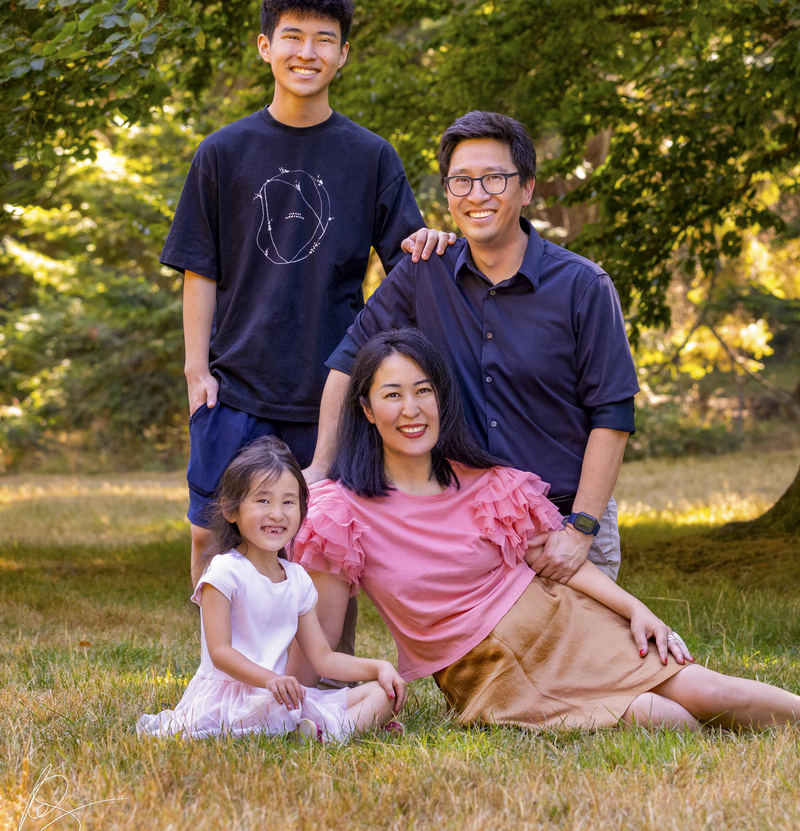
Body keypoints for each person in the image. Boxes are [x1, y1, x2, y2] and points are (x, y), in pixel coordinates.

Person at [291, 330, 800, 731]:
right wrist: (281, 700)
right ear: (366, 409)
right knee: (669, 721)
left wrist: (635, 609)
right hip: (490, 670)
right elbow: (321, 639)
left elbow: (558, 561)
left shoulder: (487, 483)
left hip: (564, 622)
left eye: (424, 390)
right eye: (392, 394)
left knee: (708, 690)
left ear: (442, 398)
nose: (412, 409)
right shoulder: (340, 512)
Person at [160, 0, 453, 583]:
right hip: (235, 383)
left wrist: (430, 242)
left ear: (343, 54)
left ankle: (316, 655)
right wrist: (195, 370)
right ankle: (223, 650)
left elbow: (407, 267)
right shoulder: (222, 152)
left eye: (324, 39)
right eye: (292, 36)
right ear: (265, 46)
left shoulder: (371, 156)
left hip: (331, 386)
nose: (307, 52)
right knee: (211, 534)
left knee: (325, 545)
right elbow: (199, 268)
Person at [307, 110, 638, 584]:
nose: (476, 195)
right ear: (447, 193)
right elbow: (349, 362)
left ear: (527, 188)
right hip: (464, 529)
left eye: (494, 179)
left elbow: (613, 415)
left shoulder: (583, 286)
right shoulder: (424, 271)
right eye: (461, 181)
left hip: (561, 524)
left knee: (591, 637)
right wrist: (322, 466)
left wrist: (582, 528)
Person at [137, 436, 406, 742]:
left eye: (288, 502)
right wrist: (271, 680)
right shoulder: (225, 571)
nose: (277, 514)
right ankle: (337, 731)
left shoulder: (296, 578)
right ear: (230, 510)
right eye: (263, 501)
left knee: (382, 692)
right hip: (231, 698)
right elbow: (220, 652)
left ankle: (326, 733)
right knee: (283, 706)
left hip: (278, 692)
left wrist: (378, 667)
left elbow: (322, 657)